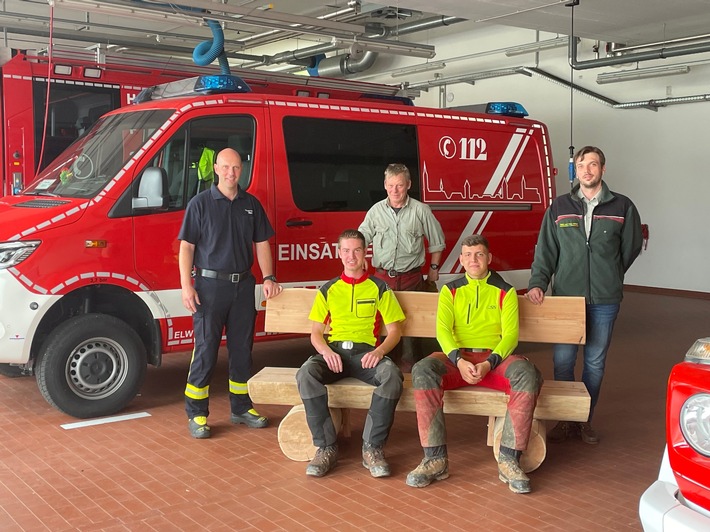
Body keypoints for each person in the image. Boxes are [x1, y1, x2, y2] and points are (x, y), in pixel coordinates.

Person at [406, 234, 543, 494]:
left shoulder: (505, 290)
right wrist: (457, 360)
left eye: (479, 254)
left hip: (494, 360)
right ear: (460, 260)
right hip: (457, 360)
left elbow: (511, 335)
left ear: (489, 258)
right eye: (467, 255)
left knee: (527, 374)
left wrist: (490, 363)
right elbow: (442, 331)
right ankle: (435, 459)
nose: (473, 260)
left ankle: (509, 460)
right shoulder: (451, 290)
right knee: (423, 370)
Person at [527, 145, 643, 445]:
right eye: (581, 166)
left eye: (593, 165)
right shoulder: (559, 206)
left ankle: (584, 419)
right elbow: (546, 251)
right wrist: (538, 282)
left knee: (594, 363)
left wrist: (611, 274)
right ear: (575, 171)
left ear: (603, 169)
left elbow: (629, 249)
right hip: (567, 299)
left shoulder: (623, 206)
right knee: (563, 360)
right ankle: (566, 420)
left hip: (605, 300)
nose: (587, 171)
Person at [178, 147, 282, 439]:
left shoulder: (251, 204)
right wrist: (187, 285)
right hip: (209, 288)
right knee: (206, 350)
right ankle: (197, 413)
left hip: (243, 286)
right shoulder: (199, 204)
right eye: (225, 167)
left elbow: (262, 243)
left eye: (236, 167)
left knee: (241, 351)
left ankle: (241, 407)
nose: (231, 173)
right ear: (216, 170)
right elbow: (187, 247)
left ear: (241, 170)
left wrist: (269, 277)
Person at [296, 229, 405, 478]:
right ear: (339, 253)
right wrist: (325, 351)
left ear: (365, 252)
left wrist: (379, 352)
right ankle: (326, 448)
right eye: (346, 250)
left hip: (366, 354)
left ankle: (372, 448)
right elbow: (315, 333)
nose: (351, 256)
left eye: (356, 250)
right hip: (334, 353)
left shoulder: (379, 288)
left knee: (392, 376)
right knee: (306, 374)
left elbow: (395, 331)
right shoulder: (329, 289)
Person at [358, 163, 445, 369]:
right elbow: (361, 238)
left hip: (411, 279)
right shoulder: (375, 211)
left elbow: (437, 241)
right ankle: (384, 370)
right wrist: (360, 257)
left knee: (410, 333)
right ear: (385, 185)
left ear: (408, 185)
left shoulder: (421, 210)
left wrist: (433, 269)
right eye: (390, 185)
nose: (394, 190)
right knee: (381, 327)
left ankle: (410, 373)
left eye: (399, 185)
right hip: (382, 280)